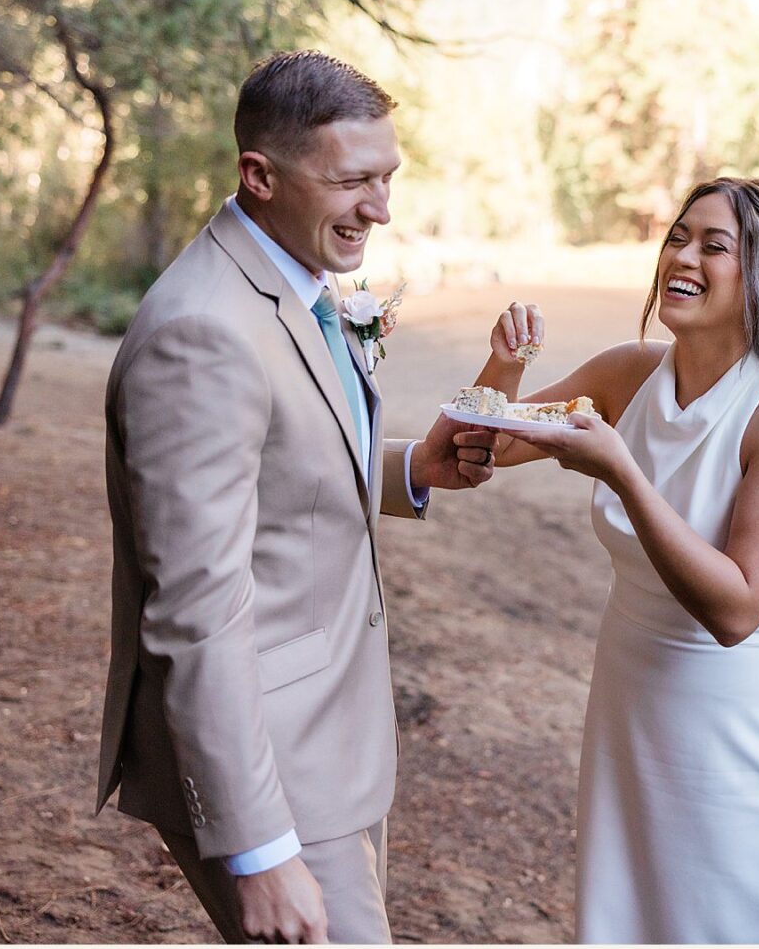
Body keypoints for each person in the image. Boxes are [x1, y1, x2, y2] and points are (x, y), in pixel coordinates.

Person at [95, 50, 499, 943]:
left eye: (387, 178)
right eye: (352, 181)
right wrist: (259, 848)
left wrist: (410, 468)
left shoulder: (297, 278)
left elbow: (284, 464)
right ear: (260, 176)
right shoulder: (202, 333)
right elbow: (194, 608)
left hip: (334, 738)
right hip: (268, 760)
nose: (380, 208)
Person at [477, 177, 759, 943]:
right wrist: (505, 366)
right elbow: (485, 446)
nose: (682, 256)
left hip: (724, 728)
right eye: (677, 237)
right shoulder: (628, 374)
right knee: (620, 919)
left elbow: (736, 610)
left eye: (714, 246)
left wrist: (624, 474)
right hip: (627, 698)